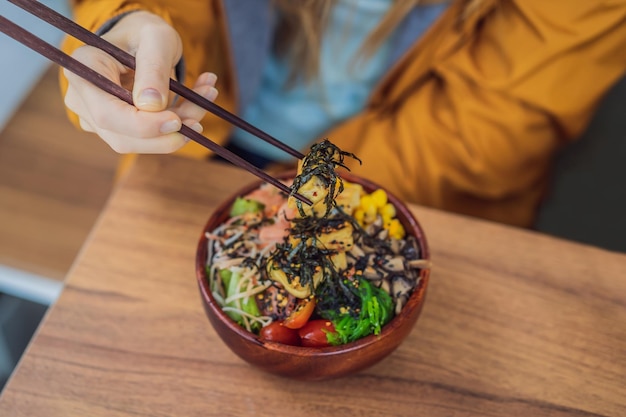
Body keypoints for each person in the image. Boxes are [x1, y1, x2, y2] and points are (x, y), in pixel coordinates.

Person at [60, 0, 626, 227]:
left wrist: (309, 201)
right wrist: (131, 25)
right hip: (191, 152)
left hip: (407, 192)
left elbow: (490, 125)